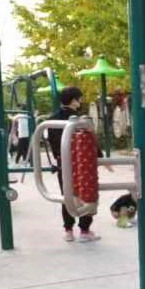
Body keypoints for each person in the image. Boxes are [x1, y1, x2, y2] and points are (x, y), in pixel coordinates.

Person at [47, 87, 101, 243]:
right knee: (86, 194)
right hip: (82, 164)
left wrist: (59, 158)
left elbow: (53, 144)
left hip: (63, 163)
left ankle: (68, 230)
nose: (81, 101)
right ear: (73, 100)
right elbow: (90, 141)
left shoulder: (52, 119)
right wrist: (100, 157)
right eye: (79, 98)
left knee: (67, 195)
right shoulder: (80, 120)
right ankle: (84, 230)